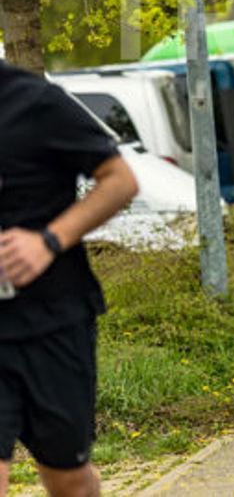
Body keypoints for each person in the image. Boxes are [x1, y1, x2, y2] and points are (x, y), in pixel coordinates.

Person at [0, 62, 139, 497]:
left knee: (69, 481)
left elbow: (120, 181)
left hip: (52, 322)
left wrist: (49, 241)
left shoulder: (35, 102)